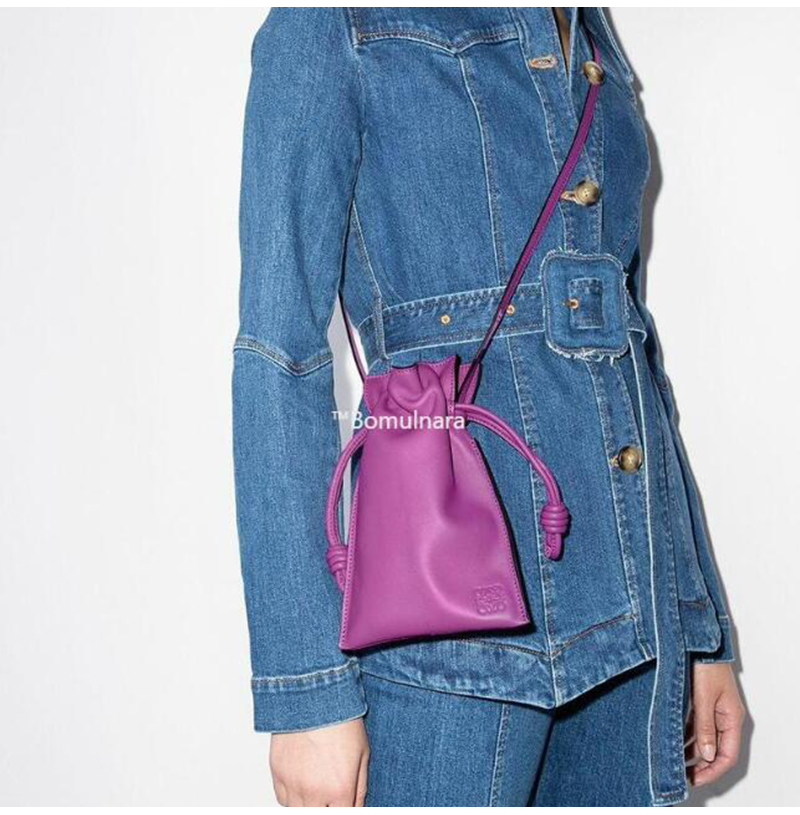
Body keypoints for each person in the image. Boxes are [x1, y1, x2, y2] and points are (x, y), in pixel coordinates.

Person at [232, 7, 745, 806]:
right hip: (448, 625)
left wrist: (698, 623)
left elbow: (631, 346)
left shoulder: (591, 32)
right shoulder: (336, 21)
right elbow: (278, 352)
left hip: (635, 612)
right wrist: (308, 692)